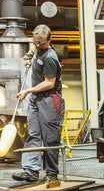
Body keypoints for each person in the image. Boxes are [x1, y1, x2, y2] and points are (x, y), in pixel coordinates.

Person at [12, 24, 65, 182]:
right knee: (33, 134)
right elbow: (30, 53)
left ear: (49, 40)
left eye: (41, 43)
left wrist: (28, 91)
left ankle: (51, 173)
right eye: (35, 42)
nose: (37, 45)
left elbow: (49, 83)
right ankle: (31, 171)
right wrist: (27, 59)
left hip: (49, 98)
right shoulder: (37, 48)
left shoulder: (50, 57)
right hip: (36, 98)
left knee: (50, 137)